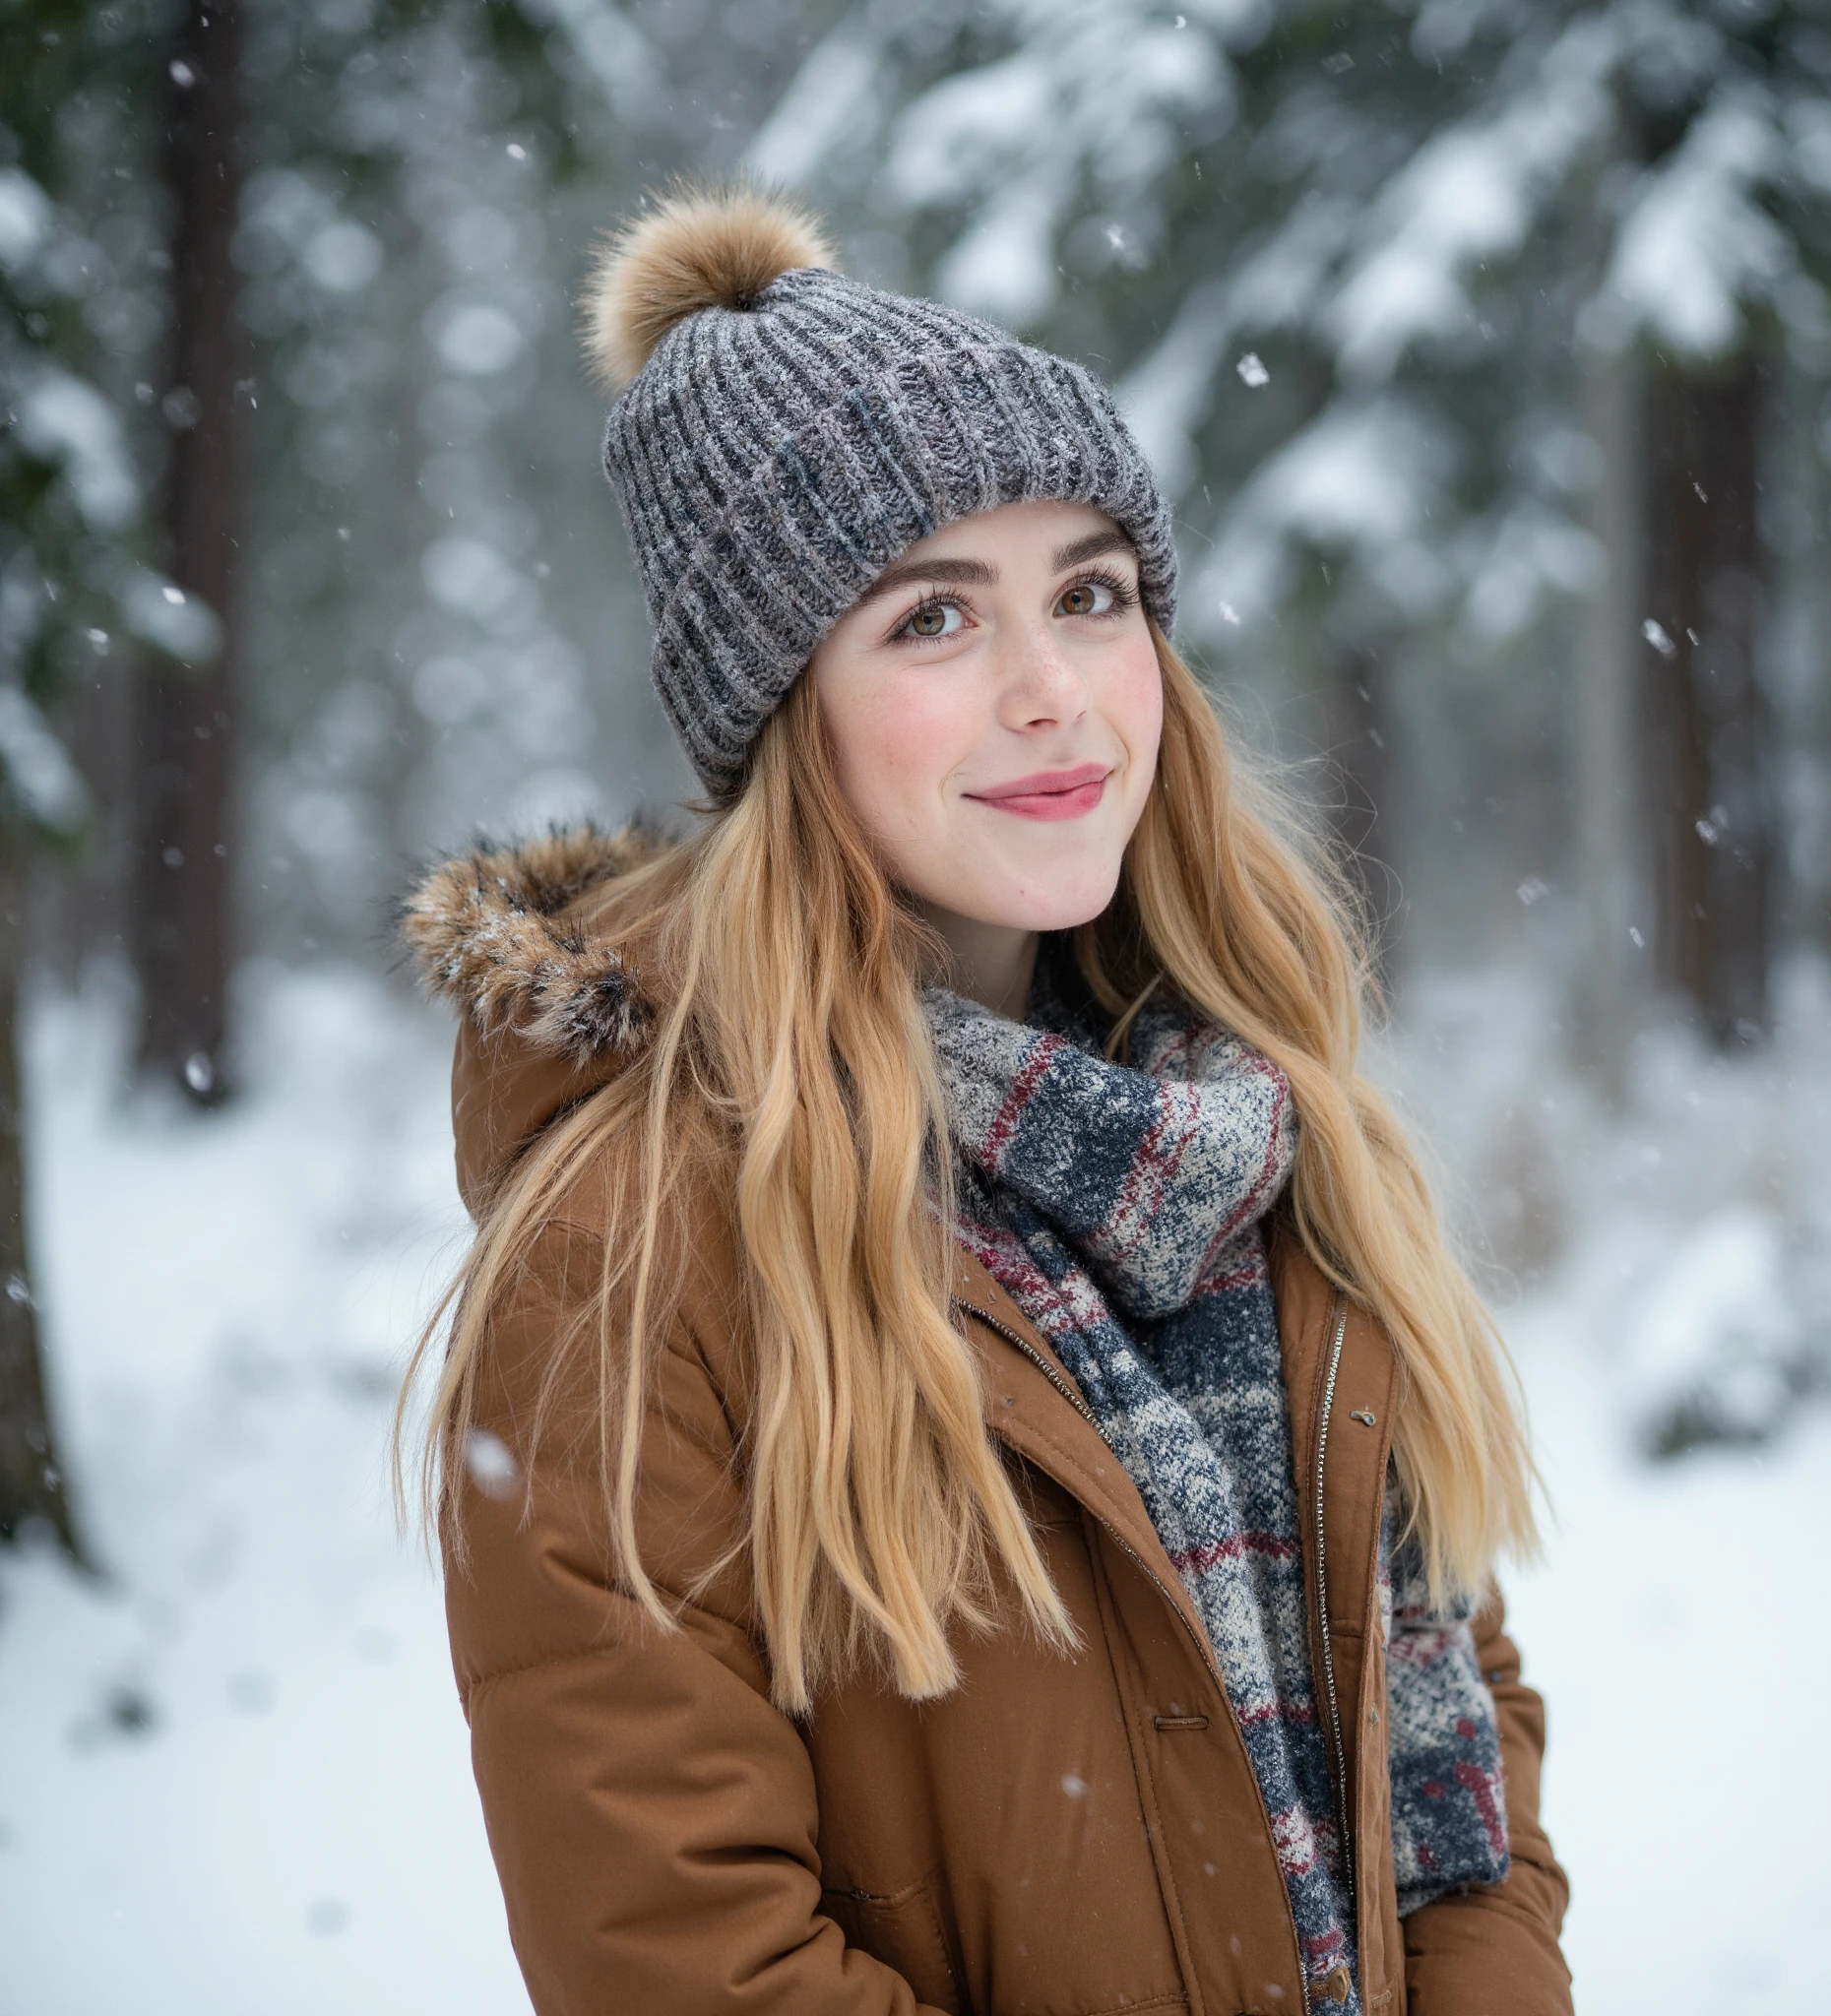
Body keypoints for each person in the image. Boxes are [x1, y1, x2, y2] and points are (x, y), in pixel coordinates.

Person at [402, 187, 1570, 2016]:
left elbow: (1456, 1775)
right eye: (935, 618)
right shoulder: (625, 1264)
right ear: (790, 715)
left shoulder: (1263, 1142)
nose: (1054, 696)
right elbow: (689, 1963)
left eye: (1090, 596)